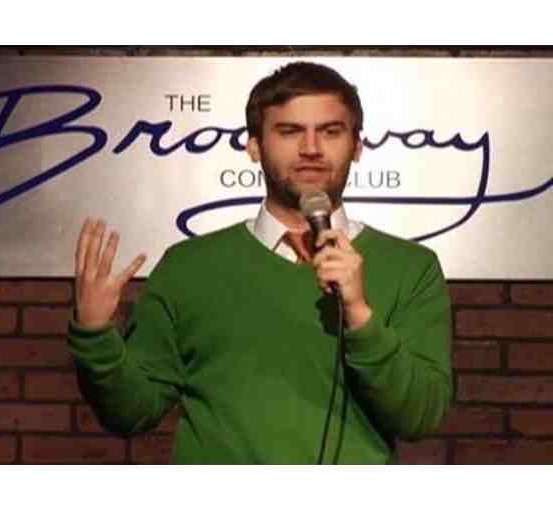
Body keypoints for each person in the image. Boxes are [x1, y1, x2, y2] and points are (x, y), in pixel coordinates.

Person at [68, 61, 452, 464]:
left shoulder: (412, 268)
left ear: (357, 147)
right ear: (254, 147)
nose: (311, 148)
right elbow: (131, 413)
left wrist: (359, 315)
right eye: (289, 131)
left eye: (330, 131)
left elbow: (420, 417)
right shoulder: (189, 267)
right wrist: (94, 334)